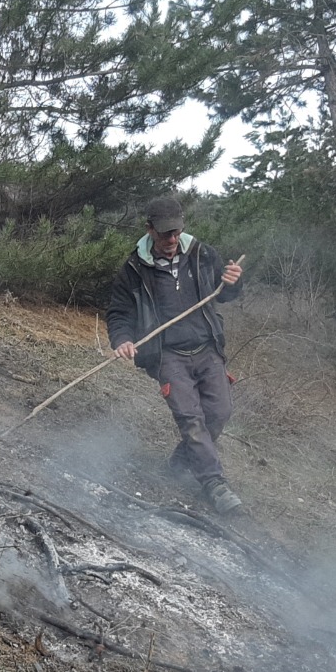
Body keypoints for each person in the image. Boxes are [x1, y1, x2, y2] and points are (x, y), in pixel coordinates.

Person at [105, 194, 245, 515]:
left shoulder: (202, 253)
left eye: (176, 231)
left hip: (208, 350)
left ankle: (182, 461)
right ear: (149, 229)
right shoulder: (134, 269)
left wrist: (234, 282)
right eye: (165, 232)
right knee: (191, 419)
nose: (172, 239)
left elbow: (226, 294)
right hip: (168, 357)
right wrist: (123, 339)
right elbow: (119, 313)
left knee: (219, 412)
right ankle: (214, 484)